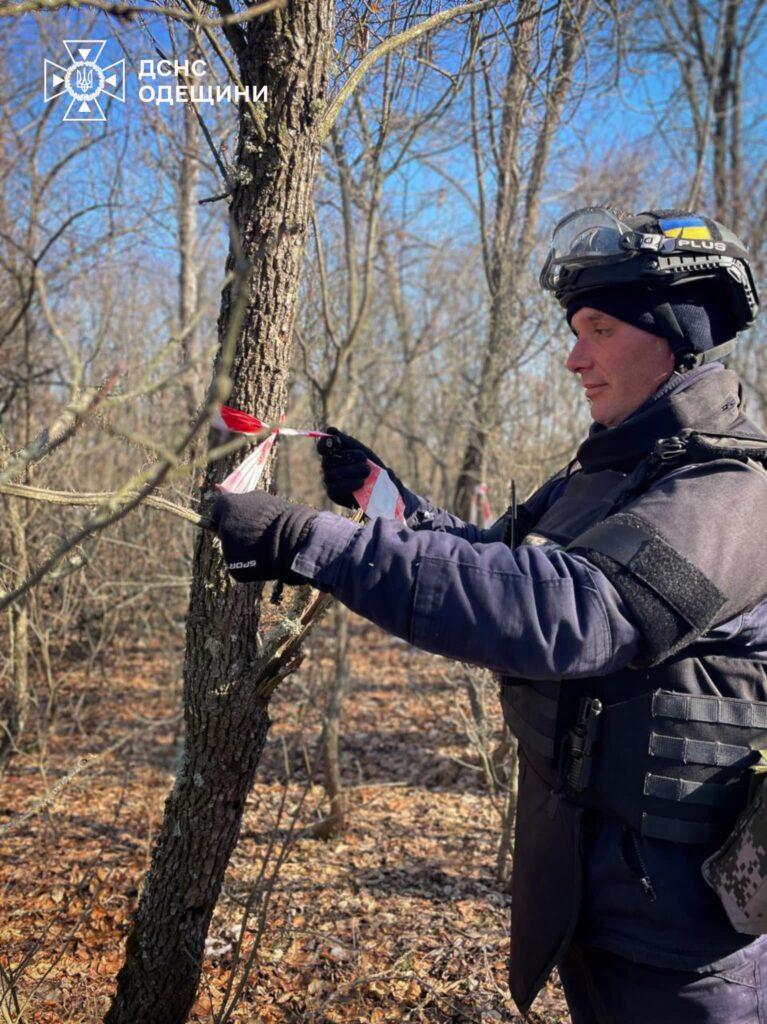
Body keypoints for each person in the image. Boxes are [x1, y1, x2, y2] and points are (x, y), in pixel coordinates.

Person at [212, 207, 767, 1023]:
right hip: (592, 893)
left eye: (598, 329)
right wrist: (377, 496)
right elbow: (489, 559)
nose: (573, 357)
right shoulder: (604, 475)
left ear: (675, 336)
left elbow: (571, 611)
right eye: (574, 330)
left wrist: (311, 543)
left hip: (685, 932)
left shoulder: (731, 493)